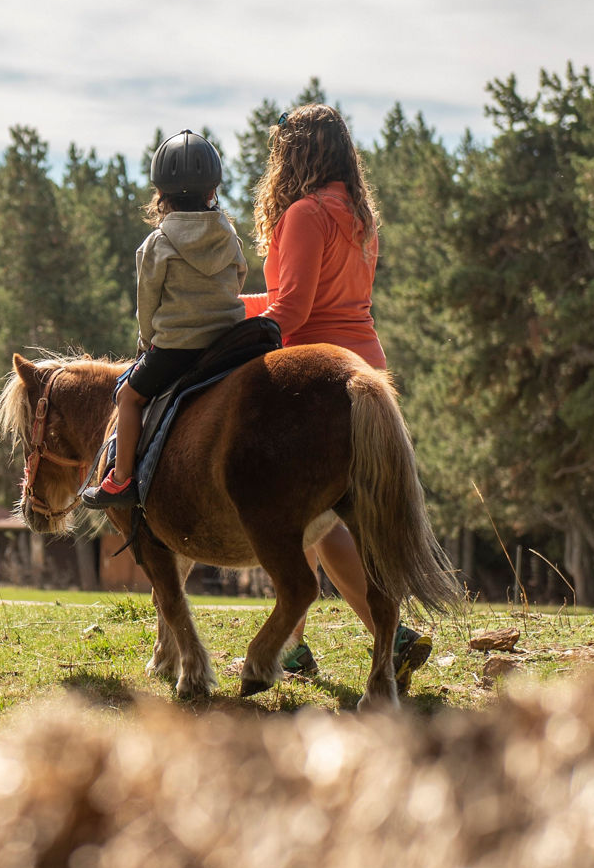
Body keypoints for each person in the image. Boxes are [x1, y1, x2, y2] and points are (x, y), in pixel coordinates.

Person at [240, 102, 433, 689]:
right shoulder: (357, 216)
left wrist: (231, 327)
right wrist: (241, 307)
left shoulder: (306, 212)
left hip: (314, 381)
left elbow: (294, 310)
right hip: (367, 368)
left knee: (321, 521)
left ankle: (391, 634)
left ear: (296, 154)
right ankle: (294, 648)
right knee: (309, 514)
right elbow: (318, 298)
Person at [82, 129, 247, 510]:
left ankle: (121, 480)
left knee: (127, 396)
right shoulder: (228, 236)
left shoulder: (157, 243)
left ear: (161, 193)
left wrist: (145, 346)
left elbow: (148, 307)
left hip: (177, 349)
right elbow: (239, 277)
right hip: (229, 343)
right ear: (212, 191)